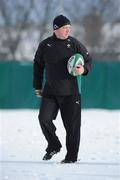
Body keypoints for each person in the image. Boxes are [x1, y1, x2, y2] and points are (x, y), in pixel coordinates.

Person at [33, 15, 92, 163]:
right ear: (55, 29)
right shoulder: (45, 45)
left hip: (71, 92)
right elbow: (38, 65)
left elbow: (89, 60)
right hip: (50, 91)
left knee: (72, 127)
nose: (68, 31)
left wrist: (83, 69)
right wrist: (37, 85)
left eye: (69, 28)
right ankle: (53, 145)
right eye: (65, 28)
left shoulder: (74, 43)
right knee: (44, 118)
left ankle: (71, 157)